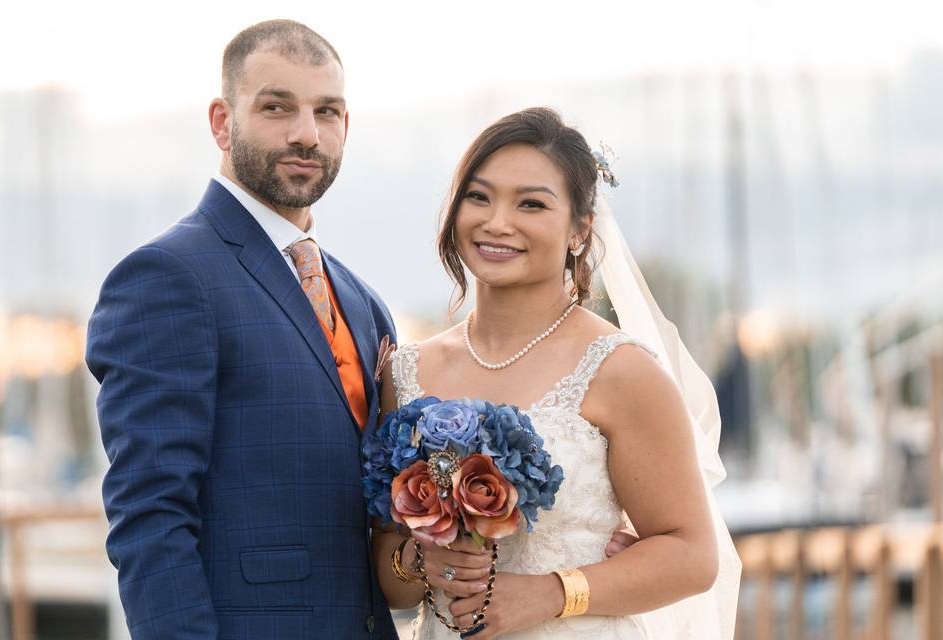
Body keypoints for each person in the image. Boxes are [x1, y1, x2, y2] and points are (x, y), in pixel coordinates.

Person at [373, 107, 740, 639]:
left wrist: (552, 593)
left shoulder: (620, 370)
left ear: (578, 230)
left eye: (531, 204)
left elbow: (692, 556)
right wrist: (420, 560)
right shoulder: (407, 371)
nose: (498, 222)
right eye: (479, 197)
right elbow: (387, 569)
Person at [86, 20, 399, 640]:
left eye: (326, 112)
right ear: (222, 122)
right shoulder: (166, 277)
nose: (306, 134)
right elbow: (150, 518)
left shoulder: (364, 304)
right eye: (277, 107)